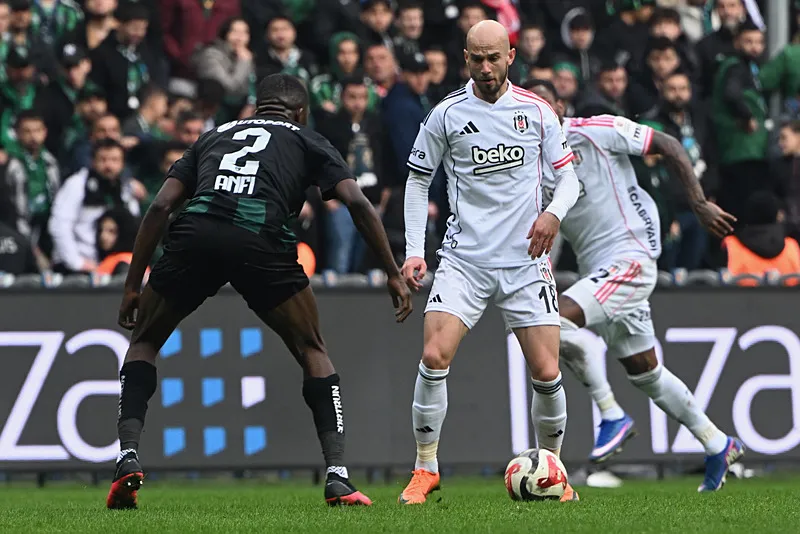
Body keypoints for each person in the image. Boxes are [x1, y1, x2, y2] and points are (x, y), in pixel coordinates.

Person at [106, 73, 412, 510]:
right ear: (300, 112)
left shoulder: (214, 135)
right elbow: (358, 202)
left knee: (146, 341)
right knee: (312, 347)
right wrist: (392, 273)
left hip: (197, 232)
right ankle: (337, 476)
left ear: (256, 107)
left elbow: (159, 206)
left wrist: (133, 287)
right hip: (259, 236)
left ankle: (128, 455)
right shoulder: (308, 139)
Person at [525, 78, 745, 493]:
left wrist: (697, 201)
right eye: (531, 106)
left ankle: (611, 416)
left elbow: (667, 142)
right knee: (645, 372)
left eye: (546, 102)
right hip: (599, 271)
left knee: (549, 325)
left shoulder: (596, 131)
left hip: (629, 256)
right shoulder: (532, 169)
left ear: (560, 105)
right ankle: (719, 443)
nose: (541, 112)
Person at [399, 20, 581, 505]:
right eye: (475, 58)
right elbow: (418, 182)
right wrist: (415, 250)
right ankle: (425, 467)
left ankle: (554, 469)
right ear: (465, 58)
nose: (484, 67)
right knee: (434, 356)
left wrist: (552, 214)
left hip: (525, 259)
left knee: (546, 371)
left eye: (492, 57)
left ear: (510, 56)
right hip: (465, 259)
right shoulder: (445, 115)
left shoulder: (538, 112)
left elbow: (569, 181)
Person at [722, 191, 800, 286]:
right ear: (776, 216)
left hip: (742, 299)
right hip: (789, 300)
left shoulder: (731, 245)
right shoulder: (791, 246)